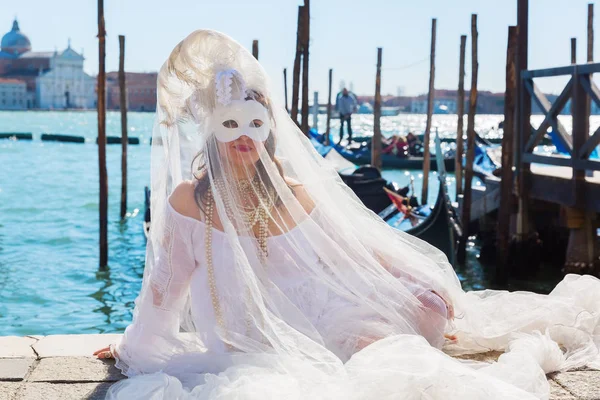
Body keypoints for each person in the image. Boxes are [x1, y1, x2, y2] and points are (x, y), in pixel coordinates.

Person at [96, 30, 600, 400]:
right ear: (212, 129)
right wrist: (134, 345)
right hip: (243, 333)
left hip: (314, 314)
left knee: (390, 344)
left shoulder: (293, 192)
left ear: (269, 127)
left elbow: (354, 247)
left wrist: (417, 279)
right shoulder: (189, 200)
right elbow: (164, 287)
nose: (245, 136)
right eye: (231, 125)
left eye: (255, 123)